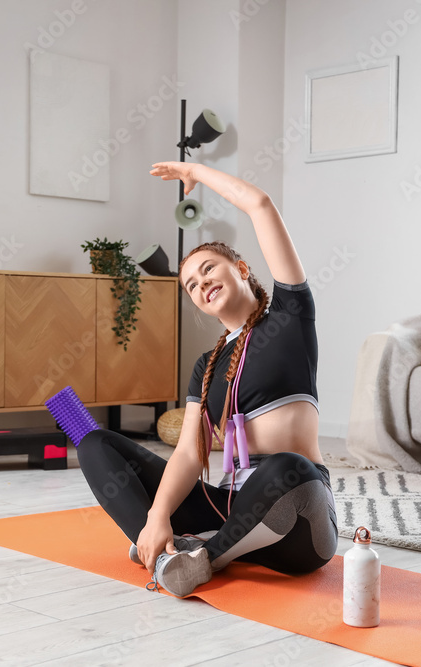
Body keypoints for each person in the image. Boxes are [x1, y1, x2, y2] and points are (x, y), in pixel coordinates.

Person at [76, 161, 337, 597]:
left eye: (209, 269)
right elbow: (188, 455)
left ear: (240, 266)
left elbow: (260, 205)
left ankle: (201, 558)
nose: (202, 284)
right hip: (227, 506)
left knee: (289, 467)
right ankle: (160, 547)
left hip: (297, 521)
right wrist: (158, 515)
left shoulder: (290, 318)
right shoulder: (206, 366)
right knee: (95, 444)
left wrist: (195, 171)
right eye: (192, 286)